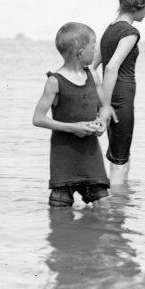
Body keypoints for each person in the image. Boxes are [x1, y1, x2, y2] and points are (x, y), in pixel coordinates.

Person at [32, 22, 114, 207]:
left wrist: (101, 121)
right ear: (80, 50)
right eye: (93, 48)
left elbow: (106, 106)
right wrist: (73, 128)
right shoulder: (55, 81)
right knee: (60, 215)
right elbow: (37, 119)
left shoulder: (93, 76)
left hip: (91, 157)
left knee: (104, 208)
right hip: (64, 158)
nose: (95, 52)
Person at [93, 0, 145, 185]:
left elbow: (90, 67)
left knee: (117, 155)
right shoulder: (131, 32)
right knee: (120, 162)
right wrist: (106, 105)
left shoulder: (110, 29)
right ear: (138, 6)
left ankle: (116, 208)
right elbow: (112, 67)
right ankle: (115, 212)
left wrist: (102, 99)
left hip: (110, 97)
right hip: (121, 100)